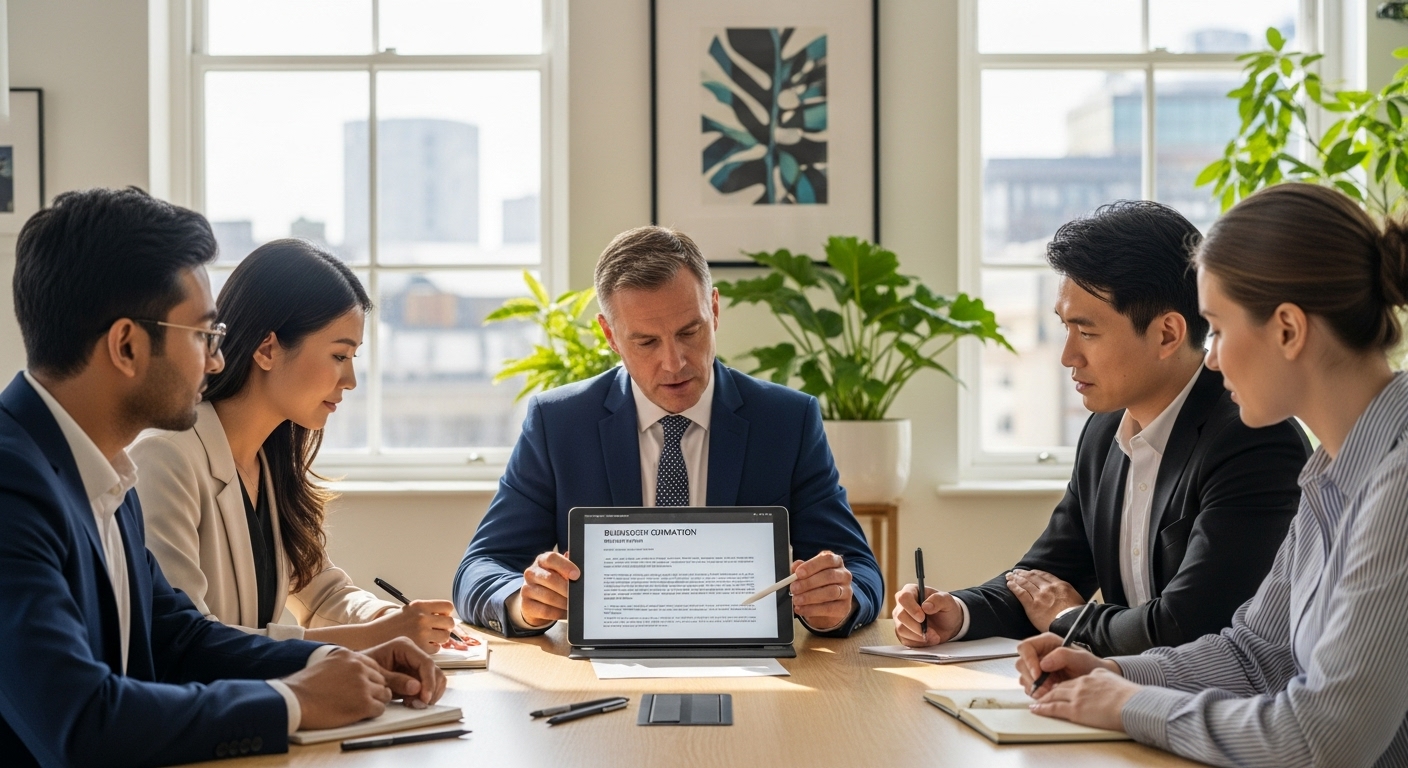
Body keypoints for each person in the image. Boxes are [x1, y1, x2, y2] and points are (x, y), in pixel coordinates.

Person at [0, 187, 445, 767]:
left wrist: (331, 663)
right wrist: (293, 701)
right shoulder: (13, 486)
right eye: (203, 337)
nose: (215, 360)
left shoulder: (107, 477)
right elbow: (79, 721)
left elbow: (180, 638)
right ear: (127, 345)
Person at [1017, 183, 1408, 767]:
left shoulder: (1397, 484)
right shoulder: (1331, 472)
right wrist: (1112, 671)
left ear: (1288, 329)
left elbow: (1324, 739)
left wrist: (1127, 704)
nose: (1213, 357)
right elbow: (1256, 654)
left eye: (1219, 329)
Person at [893, 201, 1310, 657]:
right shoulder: (1103, 433)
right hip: (1124, 691)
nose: (1067, 356)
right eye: (1064, 328)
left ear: (1167, 334)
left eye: (1087, 332)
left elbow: (1189, 628)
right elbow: (1043, 579)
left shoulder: (1253, 440)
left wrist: (1071, 620)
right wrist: (956, 613)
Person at [453, 225, 882, 637]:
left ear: (714, 310)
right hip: (601, 667)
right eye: (646, 342)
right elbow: (480, 567)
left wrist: (837, 604)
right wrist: (524, 602)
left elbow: (859, 570)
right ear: (610, 336)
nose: (674, 362)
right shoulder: (559, 423)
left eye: (689, 331)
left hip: (751, 663)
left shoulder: (787, 421)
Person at [131, 239, 465, 654]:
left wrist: (394, 620)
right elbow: (187, 644)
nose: (350, 381)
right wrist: (378, 636)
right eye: (339, 356)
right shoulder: (165, 458)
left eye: (353, 358)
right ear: (267, 349)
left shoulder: (268, 461)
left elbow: (322, 595)